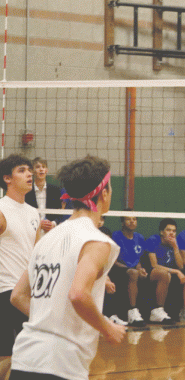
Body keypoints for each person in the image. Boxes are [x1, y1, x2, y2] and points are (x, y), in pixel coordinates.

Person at [8, 155, 126, 380]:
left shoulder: (47, 238)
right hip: (61, 364)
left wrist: (50, 317)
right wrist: (107, 327)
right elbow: (79, 294)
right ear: (104, 193)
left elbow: (18, 296)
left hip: (25, 358)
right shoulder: (97, 241)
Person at [0, 154, 40, 380]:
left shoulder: (33, 212)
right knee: (7, 356)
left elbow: (35, 255)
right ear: (7, 178)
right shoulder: (2, 210)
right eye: (22, 170)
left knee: (28, 357)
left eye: (30, 170)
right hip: (5, 293)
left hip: (27, 294)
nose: (29, 174)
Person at [144, 218, 185, 323]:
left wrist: (175, 247)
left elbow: (180, 266)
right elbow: (154, 265)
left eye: (174, 231)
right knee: (165, 274)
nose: (171, 233)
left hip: (170, 272)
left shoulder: (174, 243)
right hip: (154, 272)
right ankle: (158, 310)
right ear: (161, 232)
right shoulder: (153, 240)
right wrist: (176, 272)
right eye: (168, 230)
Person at [24, 157, 65, 237]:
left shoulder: (55, 190)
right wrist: (38, 223)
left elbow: (61, 211)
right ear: (32, 171)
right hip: (32, 231)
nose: (41, 169)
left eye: (43, 167)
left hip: (52, 232)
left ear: (47, 170)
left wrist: (53, 223)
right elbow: (24, 213)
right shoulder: (27, 191)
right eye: (38, 167)